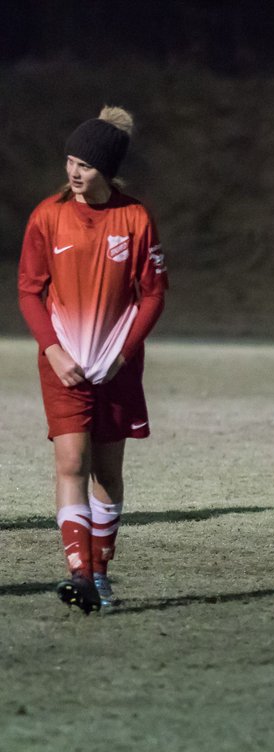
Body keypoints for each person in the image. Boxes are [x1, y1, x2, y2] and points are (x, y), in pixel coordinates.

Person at [17, 106, 168, 613]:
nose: (73, 172)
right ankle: (79, 574)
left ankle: (100, 573)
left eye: (84, 164)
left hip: (116, 368)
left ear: (106, 168)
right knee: (71, 462)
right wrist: (53, 351)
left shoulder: (136, 218)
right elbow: (28, 291)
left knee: (107, 470)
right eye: (69, 160)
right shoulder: (47, 216)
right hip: (64, 365)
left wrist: (123, 355)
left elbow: (153, 294)